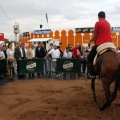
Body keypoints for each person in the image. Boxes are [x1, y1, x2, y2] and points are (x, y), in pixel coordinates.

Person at [87, 11, 112, 77]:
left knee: (89, 57)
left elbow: (95, 37)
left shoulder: (98, 23)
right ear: (105, 16)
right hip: (109, 44)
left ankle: (92, 74)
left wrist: (90, 41)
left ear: (98, 17)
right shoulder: (108, 23)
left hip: (100, 44)